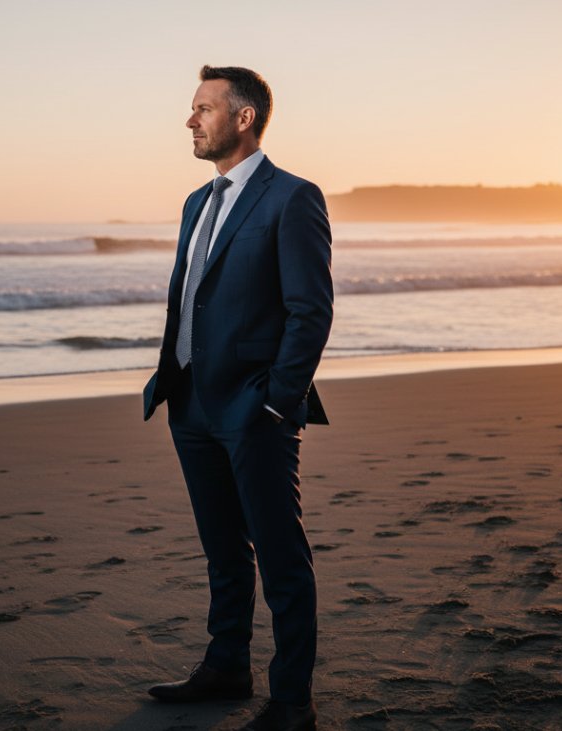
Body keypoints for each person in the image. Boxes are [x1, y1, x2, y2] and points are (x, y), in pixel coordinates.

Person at [142, 65, 333, 731]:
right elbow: (189, 294)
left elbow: (310, 311)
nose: (190, 120)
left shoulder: (292, 198)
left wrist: (278, 402)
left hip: (255, 409)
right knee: (223, 550)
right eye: (192, 109)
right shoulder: (198, 202)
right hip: (191, 403)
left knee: (280, 556)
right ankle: (227, 664)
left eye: (203, 108)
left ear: (243, 117)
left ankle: (291, 702)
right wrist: (170, 383)